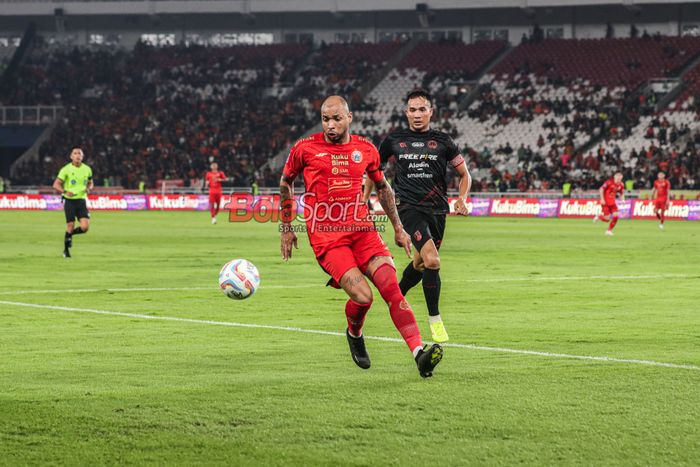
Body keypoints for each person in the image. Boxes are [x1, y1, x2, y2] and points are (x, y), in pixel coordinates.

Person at [280, 95, 443, 378]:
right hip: (328, 238)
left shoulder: (365, 149)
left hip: (364, 232)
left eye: (336, 119)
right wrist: (286, 226)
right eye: (325, 119)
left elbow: (383, 187)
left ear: (349, 118)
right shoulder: (304, 149)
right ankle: (354, 333)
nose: (330, 125)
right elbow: (286, 182)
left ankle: (419, 354)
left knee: (391, 289)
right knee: (363, 297)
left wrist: (398, 228)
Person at [363, 89, 471, 343]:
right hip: (407, 209)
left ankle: (396, 295)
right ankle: (435, 320)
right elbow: (373, 170)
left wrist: (462, 199)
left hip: (438, 211)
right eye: (412, 110)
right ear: (406, 113)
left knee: (421, 263)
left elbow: (465, 174)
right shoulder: (393, 140)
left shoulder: (444, 141)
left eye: (422, 109)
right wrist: (363, 199)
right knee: (433, 261)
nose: (417, 114)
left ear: (431, 112)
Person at [52, 148, 93, 258]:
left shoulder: (87, 169)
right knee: (70, 224)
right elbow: (56, 184)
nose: (77, 155)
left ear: (82, 157)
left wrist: (89, 188)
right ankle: (66, 250)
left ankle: (69, 235)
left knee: (85, 227)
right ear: (71, 156)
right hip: (69, 201)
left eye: (79, 153)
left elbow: (90, 182)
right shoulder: (65, 169)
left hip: (81, 200)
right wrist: (65, 191)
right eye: (75, 153)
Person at [593, 171, 625, 236]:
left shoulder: (621, 185)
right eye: (617, 175)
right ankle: (599, 217)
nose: (619, 177)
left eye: (620, 176)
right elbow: (601, 189)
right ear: (614, 176)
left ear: (622, 177)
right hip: (605, 203)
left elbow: (622, 193)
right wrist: (602, 199)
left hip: (613, 203)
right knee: (607, 219)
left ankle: (609, 230)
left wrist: (623, 200)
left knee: (616, 216)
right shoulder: (609, 182)